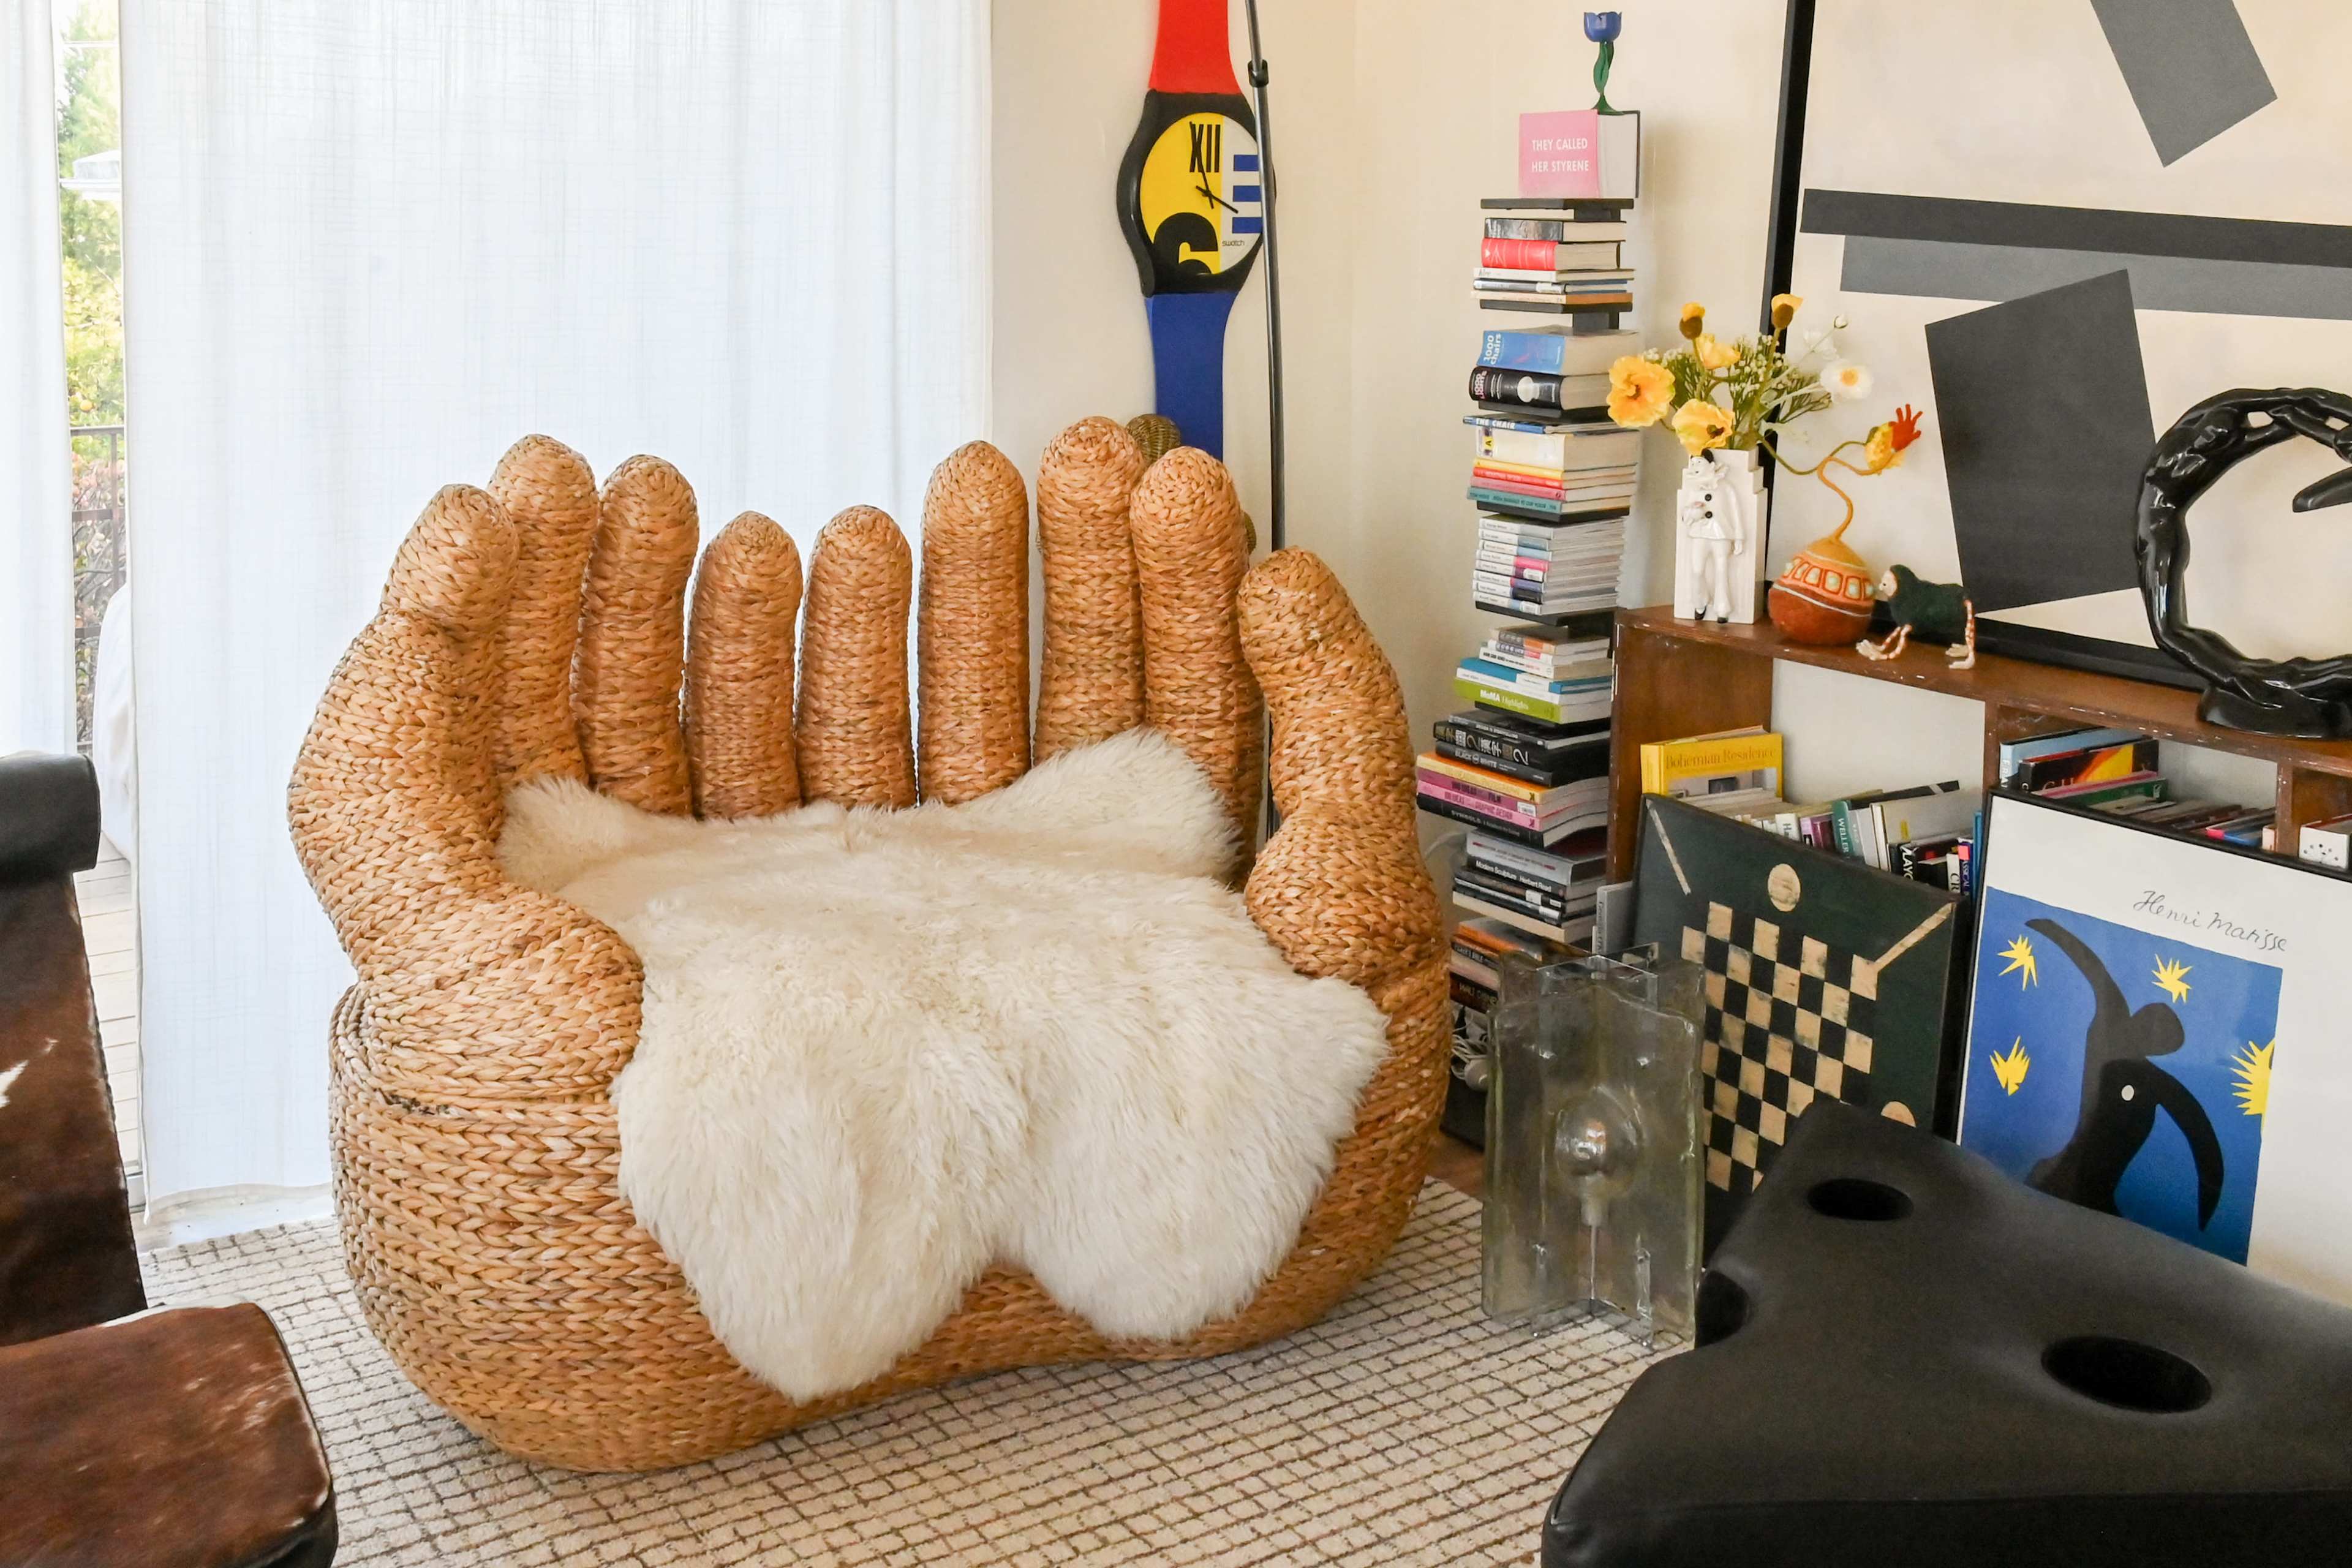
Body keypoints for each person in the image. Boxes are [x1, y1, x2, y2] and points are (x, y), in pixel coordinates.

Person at [1679, 451, 1747, 623]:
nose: (1695, 467)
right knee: (1697, 570)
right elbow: (1685, 513)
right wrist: (1693, 512)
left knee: (1721, 570)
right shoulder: (1693, 489)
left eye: (1699, 463)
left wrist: (1739, 537)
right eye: (1693, 463)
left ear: (1711, 466)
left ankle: (1722, 608)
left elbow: (1736, 512)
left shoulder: (1725, 487)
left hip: (1721, 534)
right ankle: (1699, 602)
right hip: (1699, 533)